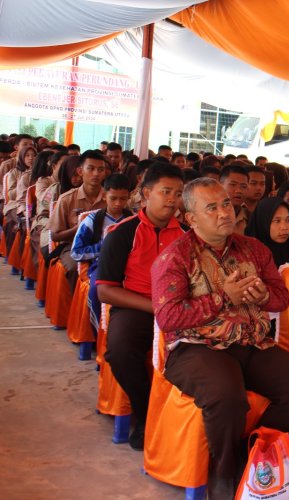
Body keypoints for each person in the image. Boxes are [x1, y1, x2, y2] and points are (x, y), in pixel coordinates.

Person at [152, 179, 289, 498]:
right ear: (191, 218)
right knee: (228, 398)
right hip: (196, 348)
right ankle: (224, 474)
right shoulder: (174, 256)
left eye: (226, 204)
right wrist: (222, 298)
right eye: (211, 208)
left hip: (251, 342)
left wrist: (262, 295)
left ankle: (255, 453)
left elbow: (281, 299)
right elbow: (168, 317)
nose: (223, 213)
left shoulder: (254, 248)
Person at [97, 163, 186, 450]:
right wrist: (155, 308)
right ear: (147, 194)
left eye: (178, 193)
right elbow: (106, 291)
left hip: (179, 308)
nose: (172, 199)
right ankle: (145, 409)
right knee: (120, 351)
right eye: (166, 192)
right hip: (136, 306)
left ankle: (182, 420)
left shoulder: (187, 235)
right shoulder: (122, 233)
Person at [70, 173, 132, 331]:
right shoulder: (93, 220)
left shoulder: (133, 221)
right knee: (96, 290)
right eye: (113, 198)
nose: (118, 203)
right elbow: (76, 252)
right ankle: (100, 331)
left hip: (130, 266)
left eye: (123, 199)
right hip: (101, 266)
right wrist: (103, 249)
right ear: (104, 195)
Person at [48, 150, 107, 292]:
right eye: (91, 169)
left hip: (103, 246)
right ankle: (76, 305)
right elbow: (55, 235)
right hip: (72, 246)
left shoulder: (110, 199)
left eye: (100, 170)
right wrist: (78, 229)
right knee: (75, 268)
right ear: (80, 171)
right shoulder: (67, 199)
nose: (96, 174)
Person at [246, 197, 289, 267]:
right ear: (263, 223)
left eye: (288, 220)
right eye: (277, 221)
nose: (284, 227)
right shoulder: (248, 255)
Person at [2, 145, 36, 260]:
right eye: (27, 156)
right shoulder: (14, 172)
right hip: (14, 204)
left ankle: (25, 260)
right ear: (21, 157)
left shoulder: (38, 174)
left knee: (31, 222)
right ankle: (13, 257)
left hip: (31, 205)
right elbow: (10, 193)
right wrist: (23, 184)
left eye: (34, 155)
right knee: (16, 221)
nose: (31, 158)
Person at [220, 164, 250, 235]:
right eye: (233, 185)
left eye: (243, 186)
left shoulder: (250, 217)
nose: (238, 190)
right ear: (220, 186)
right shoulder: (208, 216)